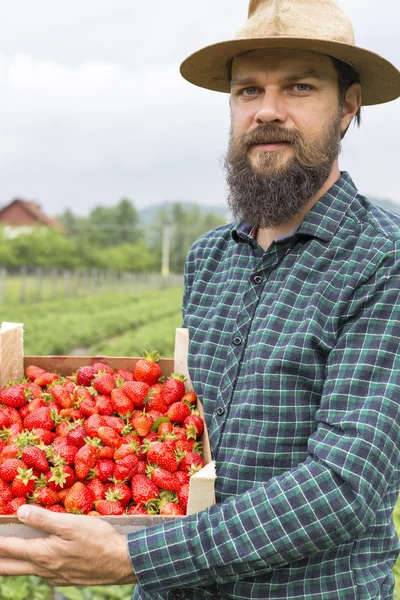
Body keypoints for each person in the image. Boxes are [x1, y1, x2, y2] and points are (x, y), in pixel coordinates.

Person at [0, 0, 400, 598]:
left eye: (299, 87)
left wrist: (137, 555)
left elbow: (346, 484)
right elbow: (184, 430)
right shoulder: (211, 257)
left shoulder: (382, 260)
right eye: (247, 91)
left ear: (348, 106)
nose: (267, 110)